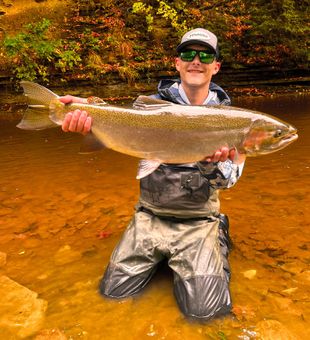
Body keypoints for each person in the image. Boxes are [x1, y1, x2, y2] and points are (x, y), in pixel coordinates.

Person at [60, 28, 245, 321]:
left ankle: (218, 230)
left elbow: (229, 181)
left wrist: (210, 164)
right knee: (112, 294)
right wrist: (85, 109)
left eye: (205, 55)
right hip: (149, 216)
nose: (196, 60)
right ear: (177, 63)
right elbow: (115, 117)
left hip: (198, 220)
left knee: (205, 313)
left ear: (216, 66)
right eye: (188, 54)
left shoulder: (233, 119)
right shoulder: (148, 106)